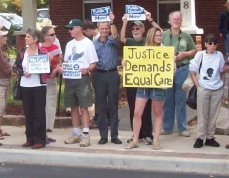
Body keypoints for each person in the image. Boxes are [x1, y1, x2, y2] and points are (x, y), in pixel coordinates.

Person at [120, 11, 161, 145]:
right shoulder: (130, 41)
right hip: (132, 79)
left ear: (143, 30)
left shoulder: (147, 41)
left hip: (147, 79)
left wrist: (150, 19)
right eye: (133, 29)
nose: (135, 30)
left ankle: (147, 134)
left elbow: (160, 33)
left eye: (137, 28)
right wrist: (124, 22)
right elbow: (121, 39)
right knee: (134, 108)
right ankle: (136, 134)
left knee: (147, 108)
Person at [126, 27, 167, 150]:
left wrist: (171, 62)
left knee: (157, 112)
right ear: (151, 36)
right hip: (143, 84)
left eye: (160, 35)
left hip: (158, 85)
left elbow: (171, 70)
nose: (159, 38)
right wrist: (126, 63)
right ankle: (135, 140)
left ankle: (156, 140)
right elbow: (134, 65)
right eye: (157, 36)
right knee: (137, 112)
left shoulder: (165, 50)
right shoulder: (142, 50)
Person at [62, 19, 98, 147]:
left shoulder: (88, 44)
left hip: (82, 79)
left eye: (71, 28)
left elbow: (93, 63)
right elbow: (66, 61)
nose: (69, 31)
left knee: (84, 107)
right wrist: (63, 68)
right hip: (70, 78)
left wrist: (87, 69)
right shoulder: (69, 44)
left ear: (78, 28)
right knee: (73, 106)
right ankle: (76, 133)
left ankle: (86, 135)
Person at [161, 11, 197, 136]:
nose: (176, 21)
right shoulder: (163, 35)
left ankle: (182, 128)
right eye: (174, 19)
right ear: (169, 21)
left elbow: (194, 50)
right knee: (168, 99)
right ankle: (167, 127)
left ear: (181, 21)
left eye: (178, 19)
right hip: (167, 69)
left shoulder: (186, 36)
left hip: (182, 68)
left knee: (181, 99)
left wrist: (184, 54)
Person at [190, 34, 226, 148]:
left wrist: (222, 84)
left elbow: (222, 70)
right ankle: (200, 137)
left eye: (214, 43)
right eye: (210, 43)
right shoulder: (200, 55)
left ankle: (210, 137)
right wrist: (198, 85)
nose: (212, 46)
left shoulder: (219, 55)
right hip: (203, 87)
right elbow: (192, 71)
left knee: (213, 115)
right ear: (205, 44)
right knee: (202, 114)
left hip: (217, 87)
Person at [15, 28, 49, 149]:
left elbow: (47, 69)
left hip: (39, 85)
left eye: (28, 37)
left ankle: (40, 139)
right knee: (28, 112)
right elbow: (16, 66)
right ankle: (30, 138)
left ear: (35, 39)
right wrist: (23, 72)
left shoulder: (42, 52)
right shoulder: (23, 52)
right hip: (25, 85)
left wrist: (38, 70)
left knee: (39, 113)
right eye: (26, 36)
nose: (25, 38)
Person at [93, 13, 122, 144]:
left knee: (113, 105)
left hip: (112, 74)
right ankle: (103, 135)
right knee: (101, 106)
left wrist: (112, 22)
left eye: (106, 28)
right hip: (98, 75)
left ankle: (114, 135)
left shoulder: (113, 41)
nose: (104, 31)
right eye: (102, 29)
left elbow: (116, 35)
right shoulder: (93, 44)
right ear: (98, 30)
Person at [40, 25, 62, 140]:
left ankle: (49, 125)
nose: (54, 36)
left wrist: (56, 69)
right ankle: (40, 125)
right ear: (45, 36)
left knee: (51, 101)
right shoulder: (38, 47)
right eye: (52, 35)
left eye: (54, 34)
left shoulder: (55, 47)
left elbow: (58, 61)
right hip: (40, 79)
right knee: (41, 103)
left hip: (52, 77)